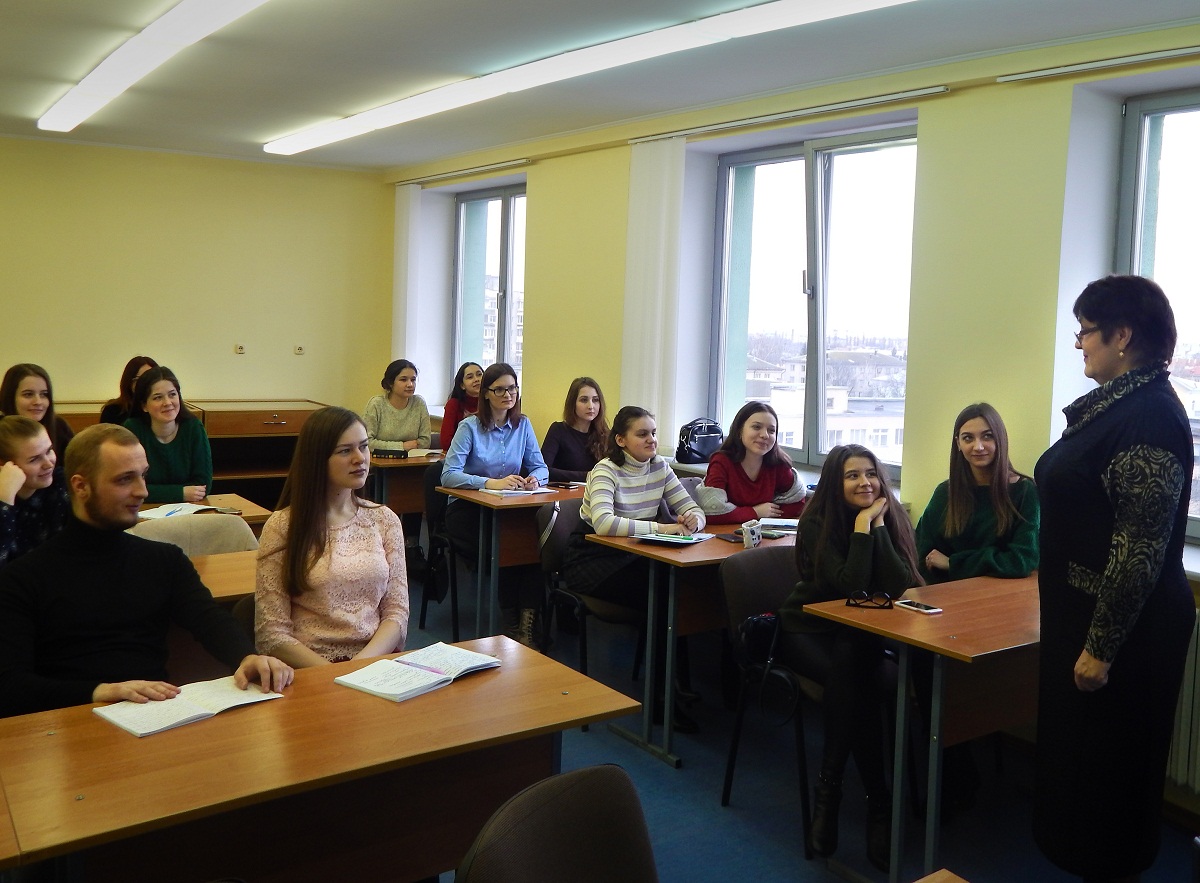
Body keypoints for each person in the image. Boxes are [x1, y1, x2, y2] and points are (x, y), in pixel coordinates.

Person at [1033, 275, 1194, 883]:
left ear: (1122, 335)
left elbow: (1140, 549)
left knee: (1110, 788)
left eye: (1086, 331)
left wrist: (1100, 648)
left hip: (1125, 637)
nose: (1079, 343)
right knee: (1083, 779)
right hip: (1089, 619)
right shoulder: (1119, 407)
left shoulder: (1148, 416)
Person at [0, 424, 293, 719]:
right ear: (80, 486)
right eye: (125, 479)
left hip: (152, 717)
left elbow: (209, 619)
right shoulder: (23, 578)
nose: (142, 491)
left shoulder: (164, 561)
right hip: (66, 723)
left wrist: (247, 656)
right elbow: (10, 687)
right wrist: (99, 692)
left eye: (143, 475)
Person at [776, 444, 921, 873]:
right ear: (835, 483)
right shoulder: (817, 521)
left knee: (855, 662)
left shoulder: (889, 516)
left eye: (871, 474)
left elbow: (898, 583)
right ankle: (879, 803)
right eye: (852, 475)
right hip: (808, 630)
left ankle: (830, 790)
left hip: (859, 638)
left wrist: (878, 525)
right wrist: (862, 526)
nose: (865, 483)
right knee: (858, 679)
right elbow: (848, 587)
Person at [560, 405, 706, 731]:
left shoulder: (660, 467)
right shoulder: (605, 470)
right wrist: (662, 528)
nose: (652, 439)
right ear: (621, 440)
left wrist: (693, 520)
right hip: (592, 559)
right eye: (642, 434)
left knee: (678, 591)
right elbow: (603, 523)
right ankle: (662, 699)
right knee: (665, 597)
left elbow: (693, 507)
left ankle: (674, 687)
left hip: (634, 556)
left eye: (653, 432)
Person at [255, 407, 408, 667]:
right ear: (317, 459)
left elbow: (397, 612)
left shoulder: (385, 520)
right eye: (345, 451)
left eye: (364, 446)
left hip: (373, 664)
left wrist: (358, 669)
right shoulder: (282, 526)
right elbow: (272, 632)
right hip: (309, 668)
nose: (360, 458)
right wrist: (333, 676)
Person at [440, 362, 547, 647]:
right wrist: (490, 483)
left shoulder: (523, 425)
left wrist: (534, 479)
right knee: (506, 547)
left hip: (508, 508)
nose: (507, 394)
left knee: (533, 545)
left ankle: (526, 622)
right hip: (468, 510)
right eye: (499, 389)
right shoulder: (469, 427)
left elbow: (540, 466)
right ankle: (510, 619)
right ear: (486, 393)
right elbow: (448, 475)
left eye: (512, 388)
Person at [916, 402, 1039, 584]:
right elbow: (924, 555)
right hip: (946, 593)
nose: (978, 446)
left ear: (1000, 439)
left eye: (987, 436)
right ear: (958, 443)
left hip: (1005, 593)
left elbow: (1022, 559)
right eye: (968, 438)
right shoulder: (944, 492)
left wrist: (953, 563)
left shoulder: (1025, 491)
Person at [364, 358, 432, 567]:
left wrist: (396, 447)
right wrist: (402, 446)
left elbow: (425, 441)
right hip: (379, 470)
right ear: (390, 383)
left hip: (410, 469)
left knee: (414, 493)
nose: (410, 384)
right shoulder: (377, 404)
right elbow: (368, 441)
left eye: (413, 379)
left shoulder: (419, 403)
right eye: (403, 379)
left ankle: (411, 547)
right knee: (385, 497)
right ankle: (380, 546)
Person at [696, 401, 806, 524]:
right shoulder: (722, 461)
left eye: (771, 430)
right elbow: (712, 513)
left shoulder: (778, 464)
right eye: (756, 427)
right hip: (725, 533)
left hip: (762, 533)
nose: (765, 435)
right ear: (739, 430)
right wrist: (755, 512)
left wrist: (766, 516)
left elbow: (798, 502)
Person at [123, 365, 213, 503]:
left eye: (172, 394)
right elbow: (129, 486)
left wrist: (153, 491)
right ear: (144, 406)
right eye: (158, 397)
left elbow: (203, 486)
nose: (167, 402)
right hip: (143, 511)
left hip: (189, 509)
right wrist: (179, 493)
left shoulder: (193, 428)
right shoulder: (133, 429)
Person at [0, 416, 69, 566]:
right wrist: (4, 502)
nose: (48, 464)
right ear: (5, 466)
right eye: (34, 459)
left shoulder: (62, 483)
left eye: (49, 450)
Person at [540, 376, 609, 483]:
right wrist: (587, 476)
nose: (591, 406)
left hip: (596, 491)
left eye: (595, 400)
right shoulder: (558, 430)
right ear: (573, 403)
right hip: (564, 492)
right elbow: (543, 470)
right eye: (584, 400)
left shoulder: (605, 433)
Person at [0, 363, 74, 455]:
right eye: (28, 394)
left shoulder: (59, 426)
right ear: (10, 397)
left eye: (44, 394)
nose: (38, 402)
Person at [99, 355, 158, 425]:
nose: (145, 384)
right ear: (129, 382)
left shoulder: (162, 407)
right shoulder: (112, 410)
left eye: (151, 379)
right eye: (139, 379)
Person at [440, 361, 483, 447]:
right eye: (470, 377)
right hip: (462, 453)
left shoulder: (492, 403)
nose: (476, 379)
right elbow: (445, 441)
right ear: (462, 385)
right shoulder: (453, 404)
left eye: (479, 374)